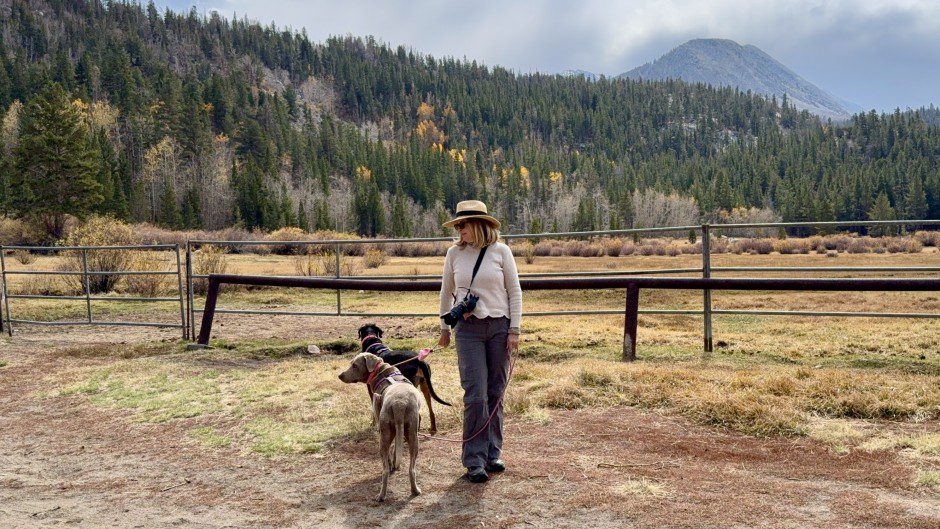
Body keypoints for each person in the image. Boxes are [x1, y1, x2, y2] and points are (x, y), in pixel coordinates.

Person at [437, 200, 522, 483]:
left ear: (479, 225)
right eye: (457, 225)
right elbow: (446, 293)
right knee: (475, 395)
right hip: (468, 330)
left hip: (499, 328)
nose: (459, 229)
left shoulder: (502, 252)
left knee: (496, 392)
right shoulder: (453, 254)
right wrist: (444, 328)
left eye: (464, 224)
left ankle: (492, 453)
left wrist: (515, 330)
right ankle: (473, 459)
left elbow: (515, 292)